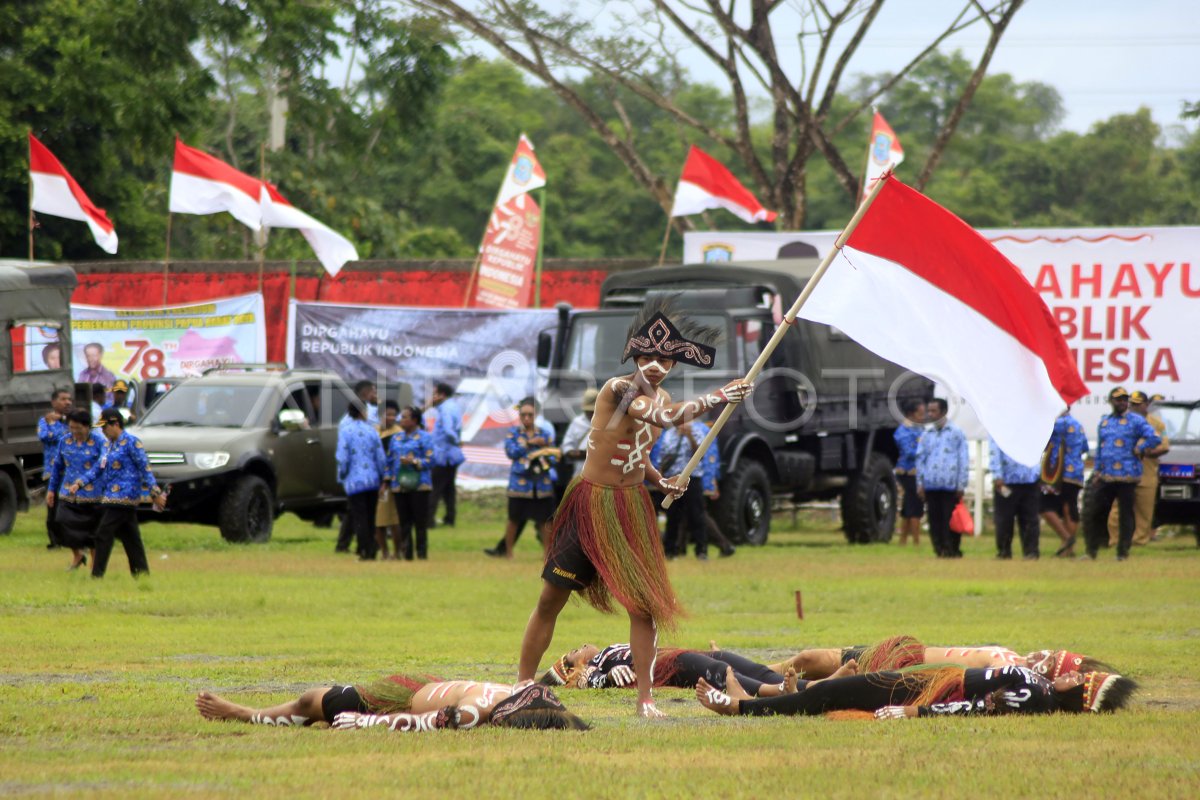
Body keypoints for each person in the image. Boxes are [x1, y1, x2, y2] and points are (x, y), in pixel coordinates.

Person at [516, 298, 753, 717]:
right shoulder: (619, 389)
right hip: (592, 503)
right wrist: (719, 394)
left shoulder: (659, 397)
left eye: (664, 359)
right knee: (552, 597)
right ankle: (521, 686)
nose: (655, 365)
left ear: (674, 365)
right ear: (634, 357)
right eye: (647, 357)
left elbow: (638, 451)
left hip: (631, 507)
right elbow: (661, 419)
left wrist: (661, 480)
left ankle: (645, 700)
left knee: (643, 608)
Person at [696, 664, 1136, 719]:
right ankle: (756, 697)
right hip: (932, 680)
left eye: (1081, 680)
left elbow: (979, 709)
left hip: (931, 692)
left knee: (829, 696)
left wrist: (917, 714)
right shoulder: (1042, 683)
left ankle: (739, 708)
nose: (1076, 672)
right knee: (839, 691)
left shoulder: (1037, 699)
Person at [196, 677, 587, 732]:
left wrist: (363, 723)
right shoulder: (516, 693)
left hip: (394, 701)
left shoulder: (478, 710)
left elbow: (431, 723)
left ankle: (242, 713)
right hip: (418, 684)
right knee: (314, 700)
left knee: (311, 701)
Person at [541, 642, 858, 697]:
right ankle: (807, 691)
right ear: (571, 666)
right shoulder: (592, 667)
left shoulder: (604, 653)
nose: (581, 645)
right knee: (722, 671)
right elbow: (593, 681)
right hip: (670, 666)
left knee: (750, 667)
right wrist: (606, 678)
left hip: (680, 654)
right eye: (574, 651)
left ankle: (807, 685)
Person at [65, 409, 167, 578]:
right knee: (131, 538)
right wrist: (79, 483)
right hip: (111, 495)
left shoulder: (132, 443)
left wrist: (154, 492)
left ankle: (97, 575)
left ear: (116, 424)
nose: (103, 432)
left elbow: (145, 469)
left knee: (102, 534)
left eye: (105, 427)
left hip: (124, 496)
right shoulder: (108, 445)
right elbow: (98, 468)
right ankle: (141, 574)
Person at [775, 636, 1112, 681]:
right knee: (808, 661)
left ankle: (750, 682)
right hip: (903, 650)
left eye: (1049, 661)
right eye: (1051, 652)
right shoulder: (1011, 654)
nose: (1043, 654)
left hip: (904, 664)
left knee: (810, 663)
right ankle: (754, 675)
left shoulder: (1010, 669)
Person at [1082, 387, 1161, 561]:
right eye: (1118, 399)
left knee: (1126, 514)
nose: (1122, 402)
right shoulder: (1105, 422)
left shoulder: (1136, 421)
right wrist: (1097, 471)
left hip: (1127, 475)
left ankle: (1122, 552)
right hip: (1106, 475)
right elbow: (1101, 449)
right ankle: (1091, 550)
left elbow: (1155, 437)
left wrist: (1140, 448)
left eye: (1124, 399)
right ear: (1111, 401)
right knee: (1096, 512)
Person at [1107, 390, 1170, 547]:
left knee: (1144, 513)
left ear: (1147, 405)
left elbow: (1164, 447)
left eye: (1138, 404)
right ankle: (1115, 541)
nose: (1134, 407)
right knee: (1116, 511)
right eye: (1132, 404)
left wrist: (1145, 451)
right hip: (1123, 473)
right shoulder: (1122, 422)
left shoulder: (1157, 424)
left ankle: (1139, 542)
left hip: (1147, 473)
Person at [651, 418, 720, 559]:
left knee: (697, 515)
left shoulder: (696, 432)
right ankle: (670, 551)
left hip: (692, 479)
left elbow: (700, 455)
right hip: (674, 480)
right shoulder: (668, 435)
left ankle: (701, 550)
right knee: (673, 516)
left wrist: (689, 436)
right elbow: (662, 459)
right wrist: (662, 481)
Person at [45, 409, 105, 570]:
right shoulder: (65, 441)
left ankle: (95, 564)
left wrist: (82, 482)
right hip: (67, 493)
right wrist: (51, 490)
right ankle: (77, 555)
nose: (75, 431)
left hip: (92, 494)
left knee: (92, 530)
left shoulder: (99, 442)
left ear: (87, 427)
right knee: (61, 522)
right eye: (71, 427)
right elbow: (57, 466)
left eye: (78, 428)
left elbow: (100, 466)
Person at [503, 398, 558, 559]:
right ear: (519, 415)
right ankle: (508, 553)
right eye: (523, 415)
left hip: (541, 484)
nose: (526, 418)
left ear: (536, 415)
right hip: (519, 485)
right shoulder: (513, 433)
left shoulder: (545, 434)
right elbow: (510, 453)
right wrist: (528, 443)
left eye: (530, 415)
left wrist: (542, 448)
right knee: (513, 519)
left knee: (545, 522)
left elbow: (554, 458)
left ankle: (547, 554)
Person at [916, 398, 968, 558]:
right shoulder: (927, 434)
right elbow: (920, 459)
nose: (930, 414)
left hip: (950, 485)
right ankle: (939, 549)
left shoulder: (956, 433)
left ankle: (951, 549)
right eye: (929, 411)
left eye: (934, 411)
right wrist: (920, 483)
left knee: (949, 519)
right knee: (935, 520)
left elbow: (963, 459)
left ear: (944, 412)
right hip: (931, 485)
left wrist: (961, 484)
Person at [336, 400, 387, 561]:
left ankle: (363, 549)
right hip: (372, 480)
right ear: (361, 413)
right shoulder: (372, 431)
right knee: (371, 516)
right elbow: (380, 457)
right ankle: (371, 549)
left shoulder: (345, 431)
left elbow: (342, 457)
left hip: (354, 482)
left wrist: (342, 475)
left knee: (359, 517)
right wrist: (381, 476)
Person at [384, 406, 434, 560]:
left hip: (419, 485)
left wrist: (414, 461)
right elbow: (389, 460)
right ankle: (407, 553)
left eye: (405, 417)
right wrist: (387, 480)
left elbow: (431, 460)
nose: (401, 420)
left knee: (420, 521)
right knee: (404, 522)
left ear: (414, 420)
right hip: (399, 485)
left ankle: (421, 553)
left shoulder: (425, 437)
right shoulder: (396, 438)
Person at [1039, 407, 1089, 557]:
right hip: (1076, 473)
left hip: (1057, 472)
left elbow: (1042, 440)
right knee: (1070, 508)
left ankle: (1067, 539)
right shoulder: (1078, 425)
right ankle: (1068, 550)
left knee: (1043, 506)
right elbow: (1085, 447)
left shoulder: (1057, 424)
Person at [989, 437, 1041, 559]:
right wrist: (997, 475)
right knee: (1004, 519)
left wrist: (1038, 472)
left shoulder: (1031, 427)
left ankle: (1031, 551)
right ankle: (1004, 551)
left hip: (1029, 479)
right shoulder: (998, 426)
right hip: (1006, 481)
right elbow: (994, 451)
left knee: (1030, 519)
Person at [38, 388, 73, 549]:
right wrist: (53, 424)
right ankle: (55, 541)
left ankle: (74, 540)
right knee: (53, 508)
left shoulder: (73, 420)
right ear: (54, 402)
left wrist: (58, 426)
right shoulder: (44, 421)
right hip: (52, 472)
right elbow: (45, 437)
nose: (68, 402)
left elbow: (70, 437)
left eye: (69, 399)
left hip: (72, 473)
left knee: (73, 508)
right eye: (63, 399)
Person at [428, 382, 465, 529]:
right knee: (449, 489)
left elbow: (449, 431)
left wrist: (456, 441)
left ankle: (428, 520)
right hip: (452, 456)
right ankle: (450, 518)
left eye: (434, 394)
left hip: (443, 455)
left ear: (442, 395)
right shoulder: (453, 406)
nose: (432, 398)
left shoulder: (445, 409)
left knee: (434, 488)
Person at [893, 399, 926, 547]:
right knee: (915, 505)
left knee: (908, 506)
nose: (923, 417)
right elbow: (909, 451)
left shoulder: (919, 429)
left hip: (917, 472)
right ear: (911, 414)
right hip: (908, 473)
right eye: (920, 414)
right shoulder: (903, 431)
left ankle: (903, 541)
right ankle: (916, 541)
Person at [373, 401, 403, 559]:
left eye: (394, 415)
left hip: (390, 481)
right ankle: (384, 552)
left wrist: (386, 481)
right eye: (388, 414)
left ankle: (397, 552)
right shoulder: (373, 431)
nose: (391, 418)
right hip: (374, 480)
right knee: (379, 519)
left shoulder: (398, 434)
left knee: (393, 518)